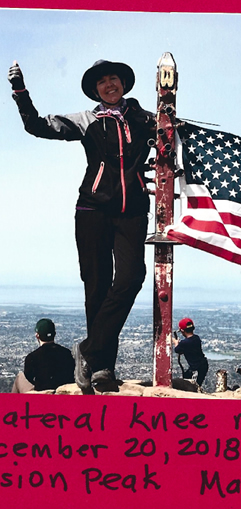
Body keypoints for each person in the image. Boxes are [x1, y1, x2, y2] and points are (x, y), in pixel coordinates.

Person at [8, 60, 155, 389]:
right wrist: (20, 91)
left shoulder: (147, 120)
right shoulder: (86, 120)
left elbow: (176, 140)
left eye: (113, 79)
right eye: (102, 82)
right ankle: (102, 369)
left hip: (132, 210)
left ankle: (88, 349)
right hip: (91, 210)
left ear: (123, 83)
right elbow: (37, 125)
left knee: (132, 278)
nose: (109, 85)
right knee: (97, 288)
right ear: (96, 90)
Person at [12, 318, 75, 393]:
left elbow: (29, 379)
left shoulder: (32, 357)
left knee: (20, 377)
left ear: (37, 336)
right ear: (54, 334)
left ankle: (12, 404)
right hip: (63, 394)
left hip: (42, 395)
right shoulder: (67, 353)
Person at [172, 318, 209, 387]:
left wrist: (176, 342)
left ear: (182, 330)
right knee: (197, 383)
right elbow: (190, 348)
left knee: (192, 386)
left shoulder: (184, 343)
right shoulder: (197, 338)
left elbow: (177, 350)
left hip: (196, 368)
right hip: (203, 365)